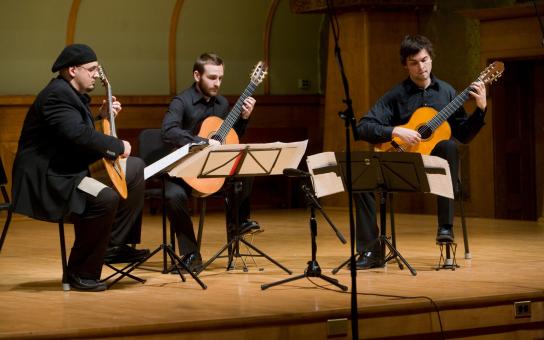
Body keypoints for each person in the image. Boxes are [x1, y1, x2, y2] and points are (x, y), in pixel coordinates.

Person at [11, 44, 149, 291]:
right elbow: (77, 135)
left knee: (135, 168)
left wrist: (101, 117)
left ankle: (114, 246)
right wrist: (117, 145)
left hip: (67, 168)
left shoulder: (69, 94)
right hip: (50, 178)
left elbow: (74, 129)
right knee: (103, 198)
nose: (96, 74)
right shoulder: (57, 95)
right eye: (92, 69)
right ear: (73, 70)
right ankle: (79, 273)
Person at [353, 35, 487, 269]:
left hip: (434, 173)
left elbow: (464, 134)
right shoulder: (396, 95)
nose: (421, 67)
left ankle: (445, 229)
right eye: (414, 63)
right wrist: (395, 131)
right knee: (360, 179)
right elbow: (363, 127)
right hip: (400, 166)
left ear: (431, 59)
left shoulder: (447, 92)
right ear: (406, 65)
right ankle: (370, 252)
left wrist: (481, 109)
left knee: (448, 145)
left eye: (424, 60)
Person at [161, 53, 258, 272]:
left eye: (221, 78)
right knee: (172, 196)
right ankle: (191, 253)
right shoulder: (181, 102)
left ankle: (240, 224)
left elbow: (231, 138)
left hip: (213, 170)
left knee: (245, 166)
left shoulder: (222, 103)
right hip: (186, 169)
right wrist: (201, 141)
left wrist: (244, 118)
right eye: (212, 78)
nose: (217, 83)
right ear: (197, 75)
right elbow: (168, 131)